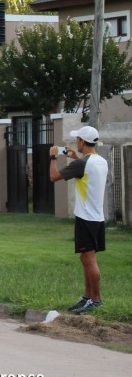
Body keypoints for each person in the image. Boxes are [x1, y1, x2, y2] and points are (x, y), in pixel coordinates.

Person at [50, 126, 108, 314]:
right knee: (86, 258)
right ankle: (87, 297)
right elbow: (86, 171)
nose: (76, 143)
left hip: (85, 218)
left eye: (78, 140)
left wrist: (53, 157)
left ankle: (96, 299)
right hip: (97, 218)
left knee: (89, 260)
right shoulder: (100, 161)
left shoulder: (81, 164)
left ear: (83, 142)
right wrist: (76, 158)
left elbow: (54, 176)